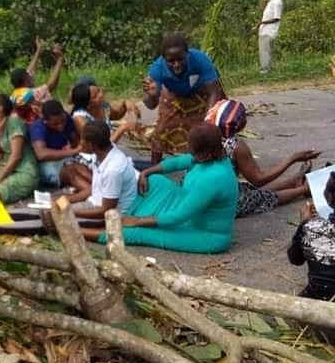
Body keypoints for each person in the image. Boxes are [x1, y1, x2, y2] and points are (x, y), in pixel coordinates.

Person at [74, 124, 238, 254]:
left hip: (204, 234)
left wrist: (138, 221)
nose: (189, 153)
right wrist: (146, 172)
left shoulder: (214, 179)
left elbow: (179, 216)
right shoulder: (209, 157)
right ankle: (133, 215)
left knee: (138, 233)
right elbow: (177, 163)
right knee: (155, 180)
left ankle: (77, 231)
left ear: (204, 154)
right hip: (188, 208)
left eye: (192, 150)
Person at [205, 99, 319, 218]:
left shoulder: (206, 136)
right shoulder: (236, 146)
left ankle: (292, 181)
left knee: (250, 190)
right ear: (239, 124)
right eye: (244, 117)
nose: (246, 119)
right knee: (266, 198)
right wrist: (292, 159)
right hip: (225, 204)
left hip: (205, 195)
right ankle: (304, 189)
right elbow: (258, 180)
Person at [143, 34, 225, 165]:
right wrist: (151, 95)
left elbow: (214, 92)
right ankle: (153, 170)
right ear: (164, 59)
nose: (176, 65)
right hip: (174, 93)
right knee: (162, 128)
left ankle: (209, 164)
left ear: (188, 54)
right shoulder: (157, 69)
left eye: (180, 59)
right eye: (171, 61)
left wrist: (208, 121)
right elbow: (150, 105)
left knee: (208, 130)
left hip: (201, 91)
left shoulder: (200, 59)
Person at [288, 174, 335, 342]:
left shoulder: (310, 228)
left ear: (328, 198)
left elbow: (295, 259)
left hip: (317, 316)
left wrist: (303, 224)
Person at [0, 94, 39, 204]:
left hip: (23, 173)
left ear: (0, 108)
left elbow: (16, 157)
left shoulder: (13, 123)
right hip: (3, 171)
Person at [10, 38, 65, 124]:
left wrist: (39, 50)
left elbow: (30, 71)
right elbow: (52, 84)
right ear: (26, 81)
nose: (32, 77)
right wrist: (60, 60)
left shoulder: (14, 95)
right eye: (30, 78)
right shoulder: (33, 92)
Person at [29, 100, 80, 188]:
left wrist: (80, 153)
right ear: (45, 121)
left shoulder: (66, 118)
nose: (61, 126)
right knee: (70, 173)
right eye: (55, 124)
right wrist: (74, 151)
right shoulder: (38, 128)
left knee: (82, 168)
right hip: (46, 163)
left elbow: (74, 140)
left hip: (64, 156)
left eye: (63, 121)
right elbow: (41, 154)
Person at [257, 0, 283, 74]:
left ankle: (265, 71)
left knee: (266, 52)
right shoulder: (271, 1)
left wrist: (261, 23)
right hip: (264, 31)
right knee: (264, 51)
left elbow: (277, 18)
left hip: (269, 31)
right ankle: (266, 70)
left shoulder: (276, 2)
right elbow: (261, 9)